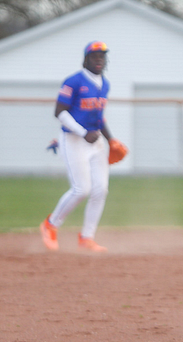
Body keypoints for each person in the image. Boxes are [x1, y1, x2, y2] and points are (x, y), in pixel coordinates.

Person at [40, 41, 120, 252]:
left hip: (95, 142)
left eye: (102, 56)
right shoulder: (73, 81)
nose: (99, 59)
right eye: (94, 56)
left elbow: (99, 117)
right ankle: (50, 225)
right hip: (73, 140)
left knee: (100, 190)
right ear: (85, 59)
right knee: (81, 189)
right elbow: (59, 112)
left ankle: (87, 237)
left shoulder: (105, 84)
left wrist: (111, 140)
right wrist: (83, 132)